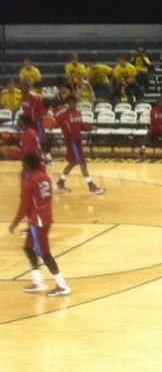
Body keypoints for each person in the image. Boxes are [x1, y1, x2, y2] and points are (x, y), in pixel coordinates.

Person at [9, 152, 71, 297]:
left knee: (44, 252)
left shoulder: (29, 181)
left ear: (27, 164)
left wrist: (15, 223)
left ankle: (62, 285)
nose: (21, 164)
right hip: (46, 217)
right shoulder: (45, 177)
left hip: (38, 221)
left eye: (23, 162)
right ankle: (39, 282)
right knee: (28, 247)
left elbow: (24, 206)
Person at [53, 99, 103, 195]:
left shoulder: (78, 113)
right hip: (72, 142)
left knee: (72, 162)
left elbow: (81, 126)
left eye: (74, 102)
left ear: (76, 103)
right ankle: (91, 186)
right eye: (71, 102)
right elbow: (55, 124)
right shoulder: (63, 115)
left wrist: (91, 127)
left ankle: (60, 183)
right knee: (82, 163)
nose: (73, 104)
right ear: (68, 104)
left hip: (77, 141)